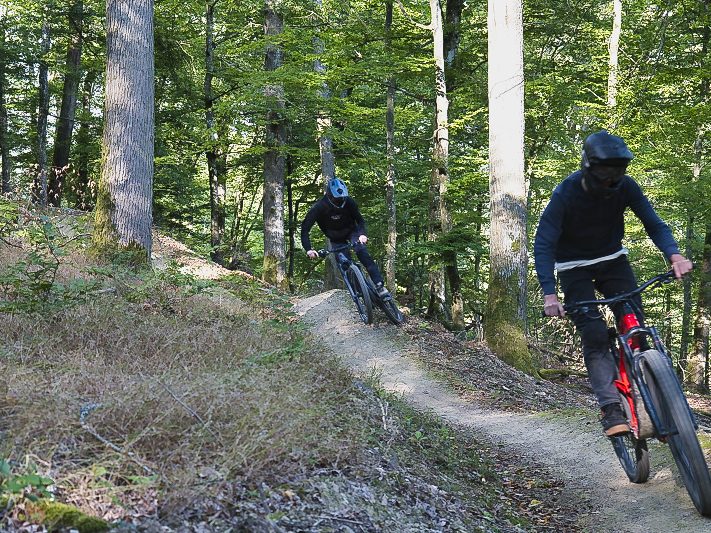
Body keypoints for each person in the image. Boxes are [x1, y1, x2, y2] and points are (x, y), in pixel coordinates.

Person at [534, 130, 693, 436]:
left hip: (613, 260)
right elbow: (544, 244)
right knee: (593, 334)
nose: (611, 179)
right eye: (606, 172)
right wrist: (549, 293)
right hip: (573, 267)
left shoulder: (625, 187)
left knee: (635, 325)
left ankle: (650, 395)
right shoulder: (565, 193)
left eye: (617, 171)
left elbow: (653, 222)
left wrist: (674, 255)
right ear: (589, 167)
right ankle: (611, 408)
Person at [301, 177, 389, 298]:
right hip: (335, 237)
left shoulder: (349, 202)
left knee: (362, 251)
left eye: (342, 198)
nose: (340, 201)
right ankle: (363, 295)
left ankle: (379, 285)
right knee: (345, 265)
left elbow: (360, 220)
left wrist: (362, 234)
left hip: (352, 232)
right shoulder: (319, 207)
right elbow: (305, 229)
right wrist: (309, 249)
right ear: (329, 195)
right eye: (337, 199)